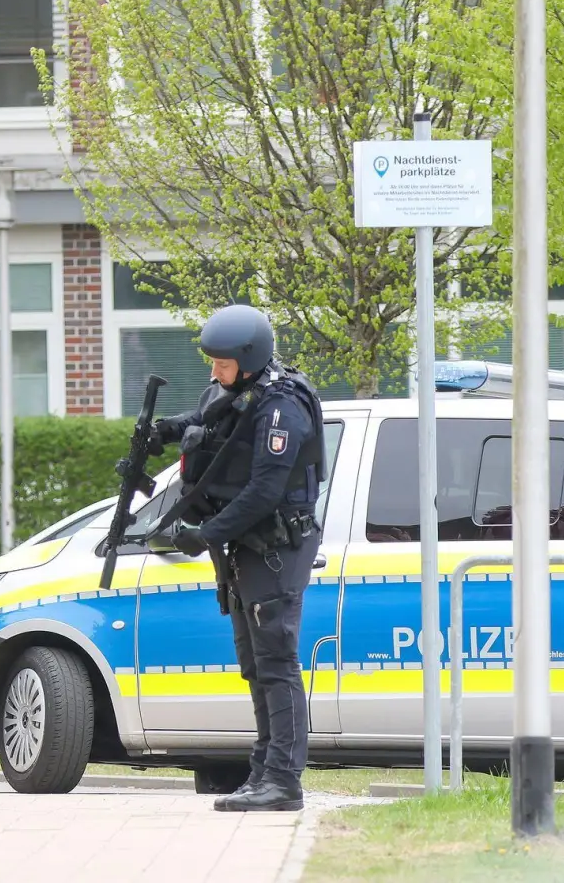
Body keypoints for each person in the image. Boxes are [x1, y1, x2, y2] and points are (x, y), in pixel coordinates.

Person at [148, 303, 325, 813]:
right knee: (255, 662)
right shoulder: (242, 392)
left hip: (275, 547)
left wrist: (206, 533)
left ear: (248, 358)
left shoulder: (281, 408)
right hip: (247, 548)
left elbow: (266, 489)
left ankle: (283, 781)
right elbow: (209, 418)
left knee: (276, 661)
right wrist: (167, 431)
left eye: (221, 363)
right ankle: (262, 771)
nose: (213, 372)